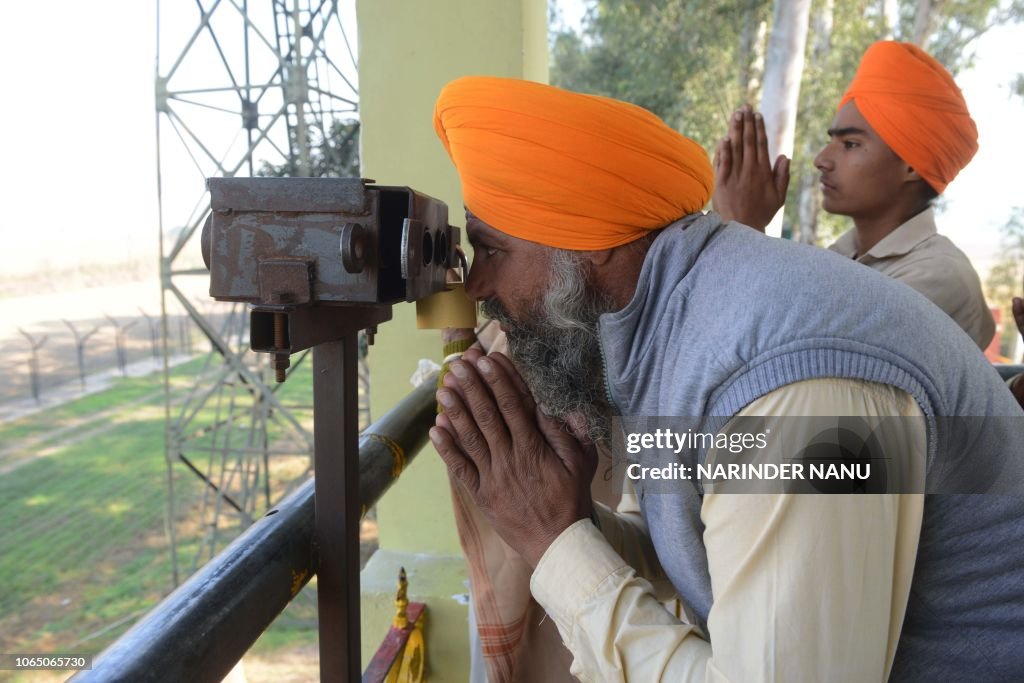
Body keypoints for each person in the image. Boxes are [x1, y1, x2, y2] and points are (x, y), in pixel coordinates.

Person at [429, 75, 1024, 682]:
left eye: (491, 249)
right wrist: (559, 510)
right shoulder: (666, 332)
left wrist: (555, 542)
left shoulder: (789, 386)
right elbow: (697, 541)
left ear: (587, 243)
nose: (477, 287)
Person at [713, 41, 995, 350]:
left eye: (850, 144)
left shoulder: (938, 276)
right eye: (831, 141)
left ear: (912, 167)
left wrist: (745, 232)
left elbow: (807, 359)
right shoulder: (840, 257)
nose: (821, 159)